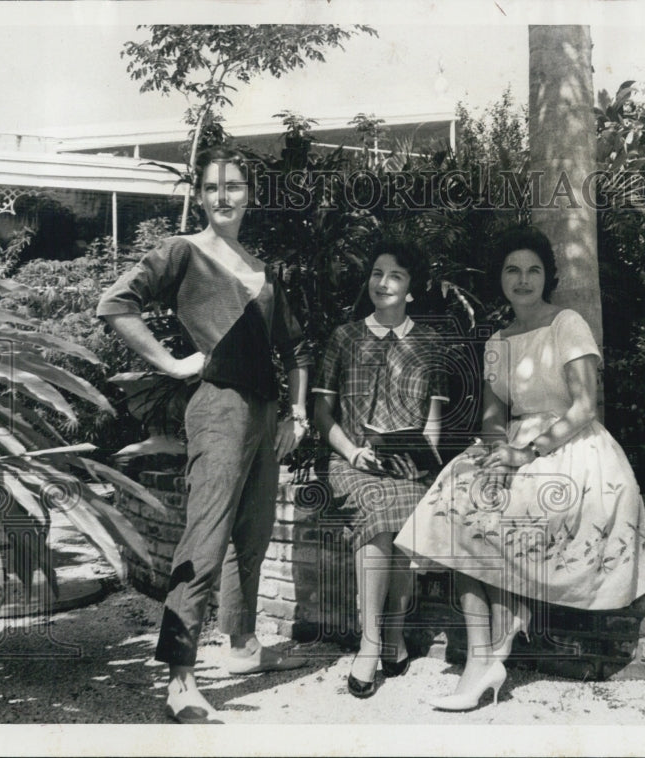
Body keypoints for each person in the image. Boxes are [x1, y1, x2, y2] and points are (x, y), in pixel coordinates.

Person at [394, 226, 645, 711]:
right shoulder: (497, 341)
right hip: (517, 443)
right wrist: (496, 455)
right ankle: (483, 658)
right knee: (453, 504)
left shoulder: (567, 323)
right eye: (513, 270)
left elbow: (585, 406)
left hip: (572, 447)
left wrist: (528, 453)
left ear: (548, 276)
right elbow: (493, 416)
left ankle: (496, 642)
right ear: (500, 278)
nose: (523, 280)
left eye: (533, 270)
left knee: (504, 515)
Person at [97, 146, 313, 723]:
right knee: (207, 539)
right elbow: (115, 304)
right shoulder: (183, 251)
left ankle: (243, 648)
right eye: (213, 187)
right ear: (199, 194)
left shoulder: (261, 268)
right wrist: (171, 364)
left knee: (254, 534)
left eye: (235, 186)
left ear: (250, 195)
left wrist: (296, 413)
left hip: (265, 414)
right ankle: (180, 678)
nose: (224, 197)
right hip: (218, 409)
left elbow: (295, 349)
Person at [313, 240, 448, 698]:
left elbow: (432, 427)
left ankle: (390, 632)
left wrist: (418, 457)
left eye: (396, 275)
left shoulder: (430, 344)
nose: (383, 282)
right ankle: (374, 641)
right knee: (377, 506)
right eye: (376, 273)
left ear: (412, 289)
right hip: (350, 463)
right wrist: (353, 453)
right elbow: (321, 416)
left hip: (407, 465)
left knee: (406, 503)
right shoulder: (344, 337)